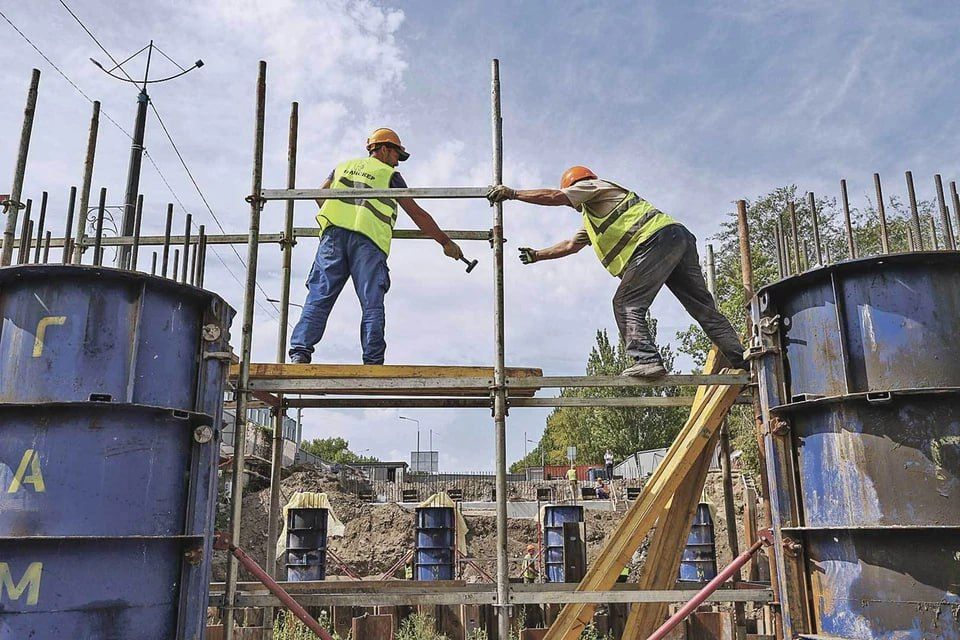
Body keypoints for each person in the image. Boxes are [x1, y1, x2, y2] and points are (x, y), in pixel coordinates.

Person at [487, 167, 747, 377]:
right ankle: (743, 361)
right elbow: (569, 246)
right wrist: (537, 255)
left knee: (626, 303)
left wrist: (513, 194)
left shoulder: (594, 186)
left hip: (655, 240)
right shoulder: (592, 218)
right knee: (704, 310)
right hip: (677, 238)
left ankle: (647, 361)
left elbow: (556, 197)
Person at [289, 128, 464, 364]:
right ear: (382, 149)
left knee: (319, 296)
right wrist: (445, 241)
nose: (397, 163)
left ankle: (300, 352)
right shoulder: (388, 175)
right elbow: (417, 214)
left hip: (333, 237)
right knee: (372, 302)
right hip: (368, 242)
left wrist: (339, 215)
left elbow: (320, 194)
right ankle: (372, 361)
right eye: (396, 156)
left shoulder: (342, 166)